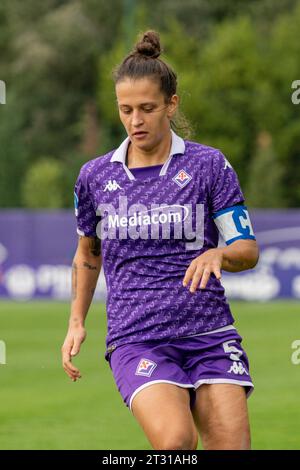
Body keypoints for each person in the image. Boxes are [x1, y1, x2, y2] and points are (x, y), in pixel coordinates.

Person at [62, 30, 259, 450]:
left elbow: (247, 249)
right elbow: (87, 255)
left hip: (210, 332)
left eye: (147, 108)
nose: (136, 121)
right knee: (174, 444)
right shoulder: (94, 176)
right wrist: (76, 321)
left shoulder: (209, 165)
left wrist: (219, 254)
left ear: (172, 104)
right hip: (137, 336)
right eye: (126, 110)